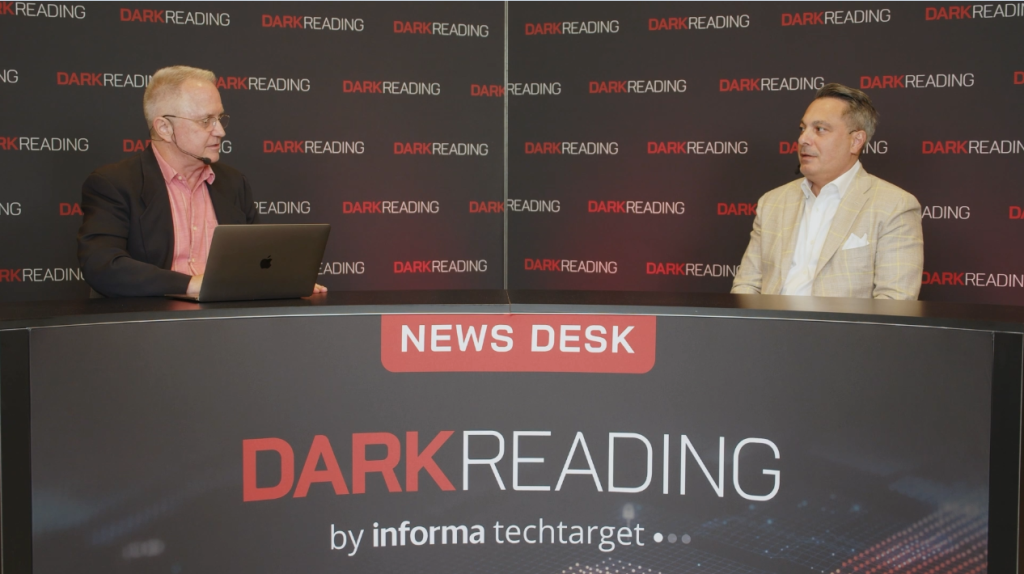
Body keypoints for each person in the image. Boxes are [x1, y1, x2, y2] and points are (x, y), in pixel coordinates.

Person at [77, 65, 326, 298]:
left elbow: (256, 261)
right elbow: (103, 266)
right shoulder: (115, 184)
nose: (220, 131)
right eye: (205, 121)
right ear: (164, 128)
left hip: (227, 322)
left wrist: (282, 281)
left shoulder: (233, 183)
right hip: (150, 323)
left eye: (220, 118)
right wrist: (191, 284)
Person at [731, 83, 923, 299]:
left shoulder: (894, 206)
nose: (803, 139)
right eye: (802, 128)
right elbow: (746, 286)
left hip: (842, 323)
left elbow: (895, 302)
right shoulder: (772, 202)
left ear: (856, 141)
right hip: (769, 321)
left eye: (820, 129)